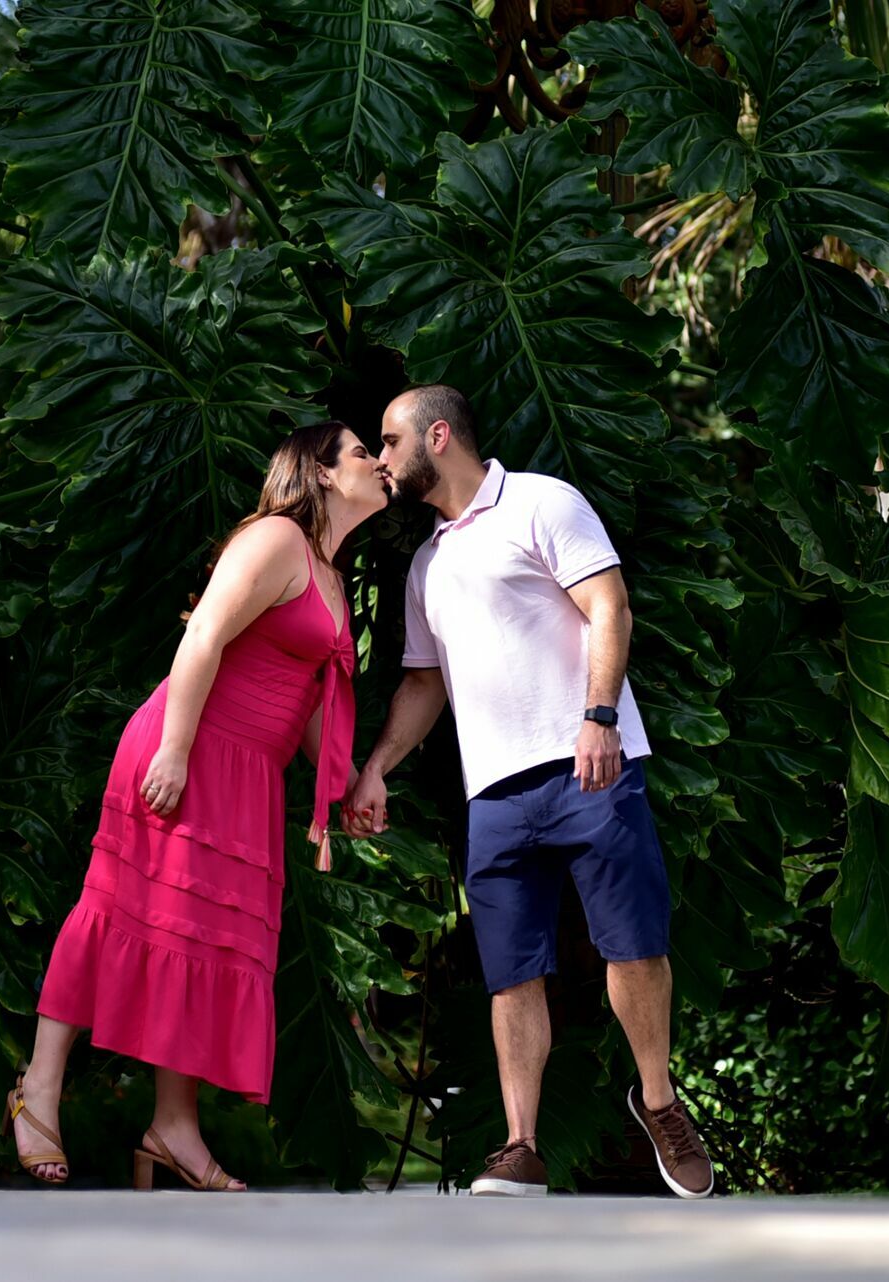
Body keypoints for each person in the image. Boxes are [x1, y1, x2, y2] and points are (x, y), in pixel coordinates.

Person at [345, 385, 715, 1199]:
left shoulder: (544, 502)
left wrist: (598, 716)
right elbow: (421, 684)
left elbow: (608, 604)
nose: (380, 457)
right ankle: (520, 1146)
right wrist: (376, 767)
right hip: (495, 796)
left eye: (390, 439)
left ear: (438, 436)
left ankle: (657, 1101)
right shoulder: (427, 565)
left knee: (634, 946)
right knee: (511, 972)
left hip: (591, 764)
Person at [5, 422, 388, 1191]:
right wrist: (174, 751)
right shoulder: (276, 539)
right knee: (118, 911)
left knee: (206, 945)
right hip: (193, 746)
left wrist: (348, 785)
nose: (380, 463)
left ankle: (173, 1127)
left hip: (250, 779)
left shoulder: (328, 573)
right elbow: (205, 635)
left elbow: (303, 698)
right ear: (317, 473)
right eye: (360, 452)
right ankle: (38, 1088)